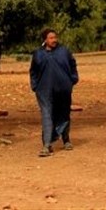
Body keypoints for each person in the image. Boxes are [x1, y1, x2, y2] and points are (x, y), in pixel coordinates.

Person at [29, 28, 79, 157]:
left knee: (64, 114)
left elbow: (73, 65)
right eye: (51, 38)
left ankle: (66, 139)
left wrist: (72, 80)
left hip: (63, 89)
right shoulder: (38, 54)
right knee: (47, 115)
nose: (54, 40)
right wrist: (35, 85)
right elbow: (33, 71)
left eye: (55, 37)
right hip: (44, 90)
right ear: (45, 40)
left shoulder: (64, 51)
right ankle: (46, 145)